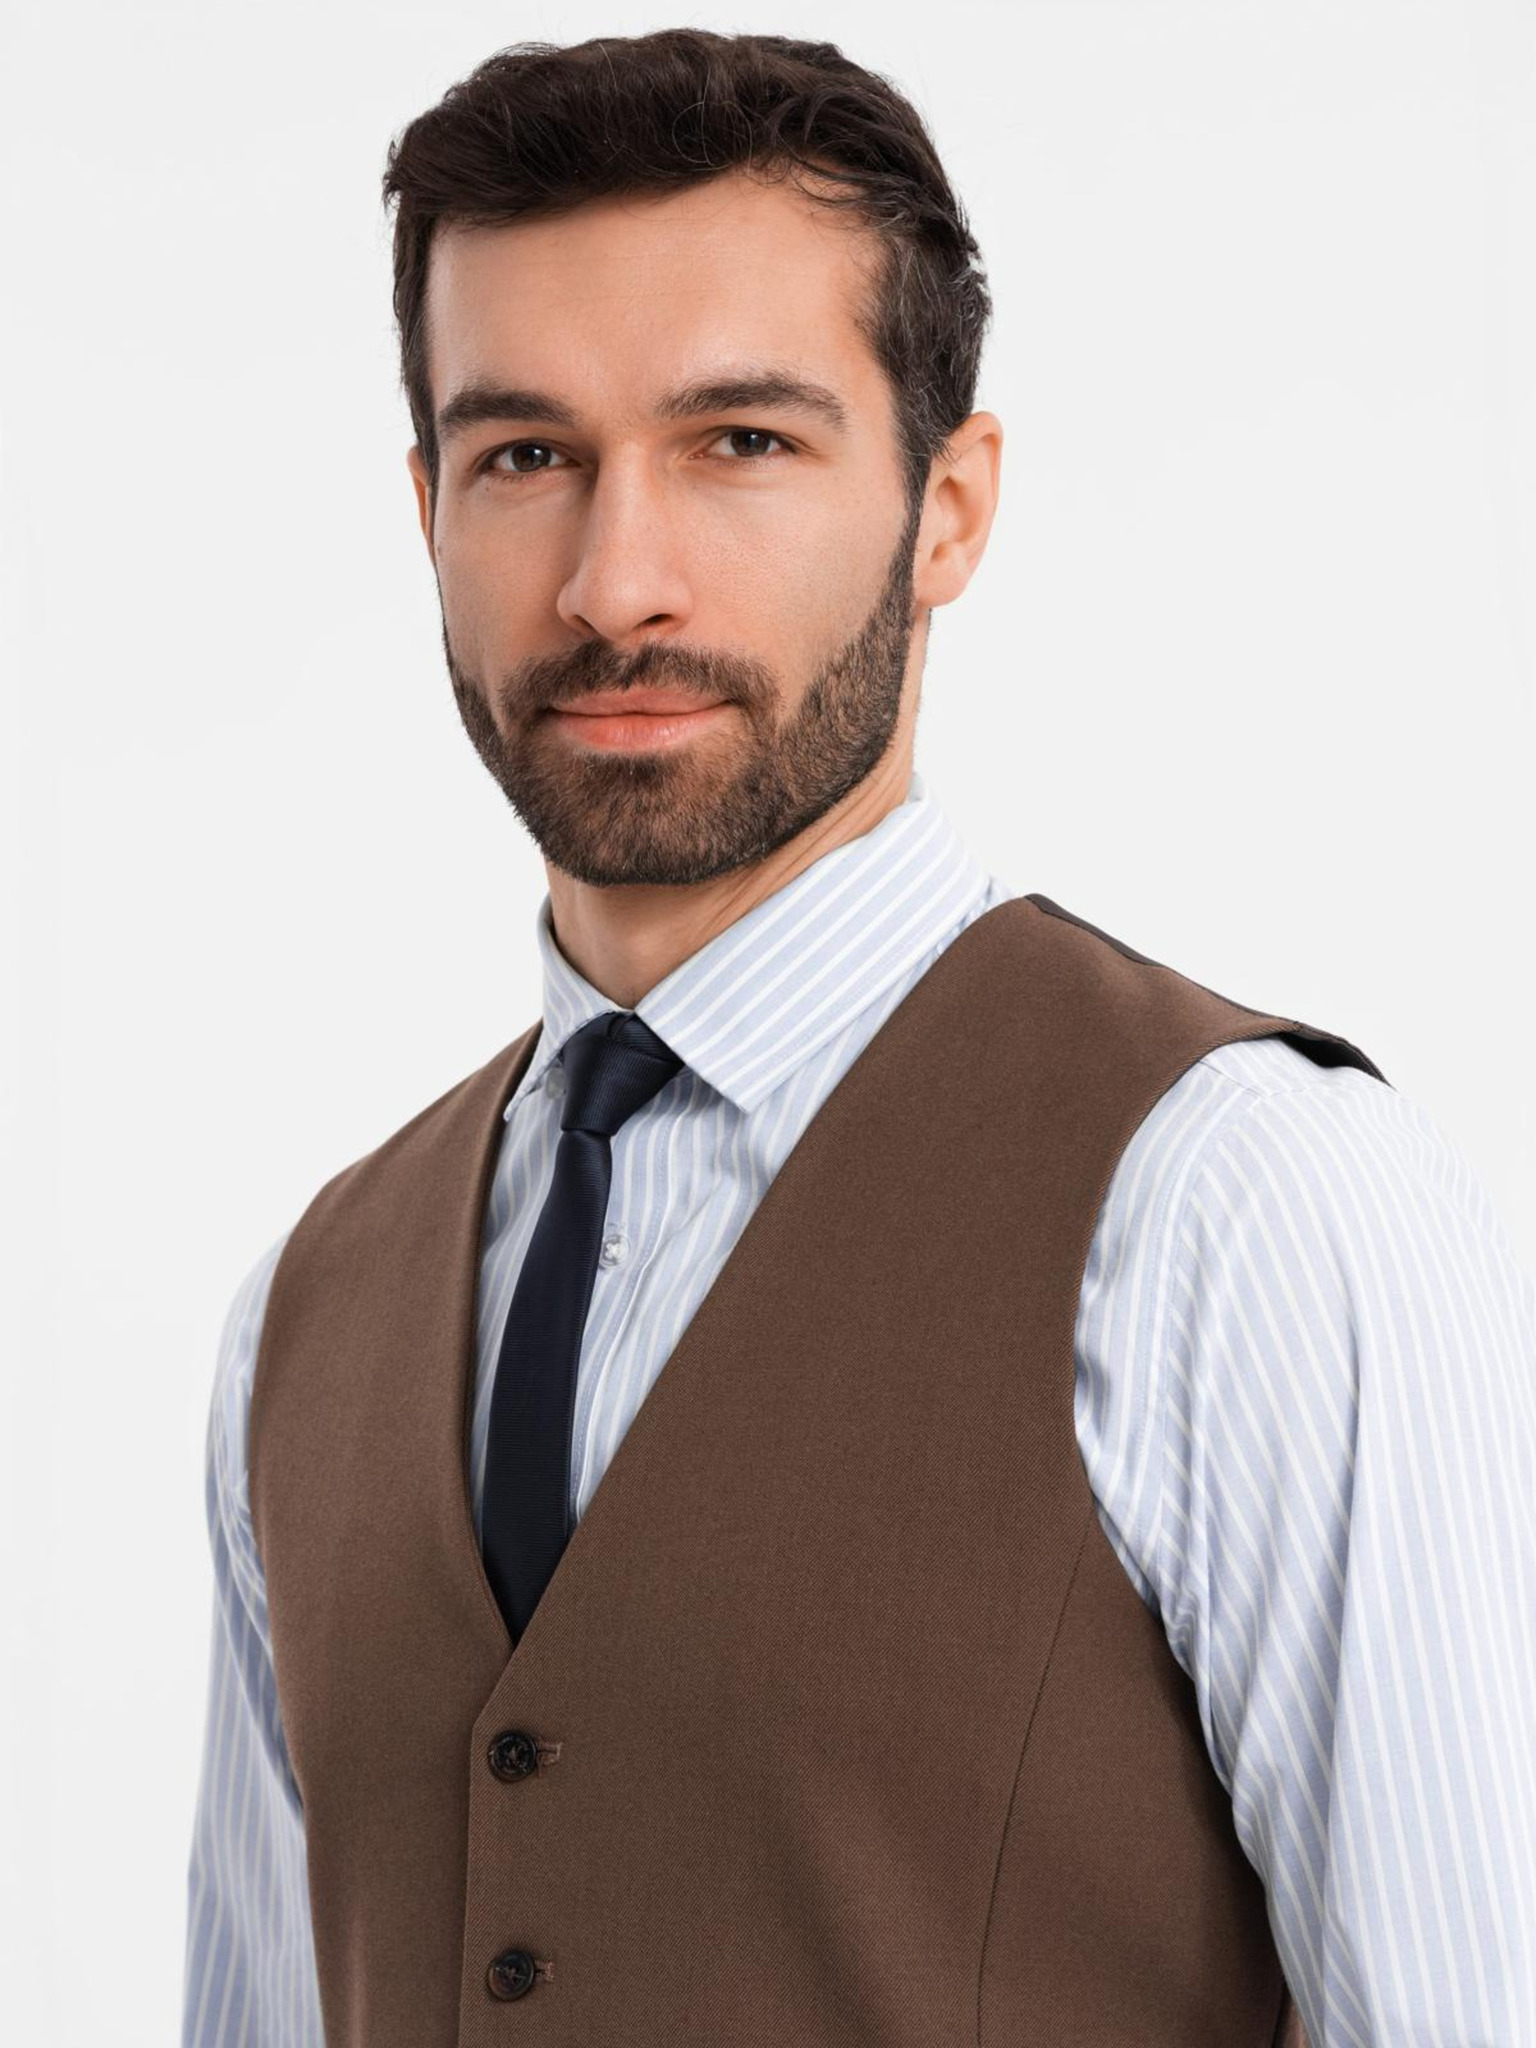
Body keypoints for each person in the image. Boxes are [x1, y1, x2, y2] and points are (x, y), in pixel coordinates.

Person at [181, 28, 1536, 2048]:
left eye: (741, 441)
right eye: (526, 455)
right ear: (428, 508)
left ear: (948, 508)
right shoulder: (305, 1316)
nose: (616, 585)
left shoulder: (1245, 1202)